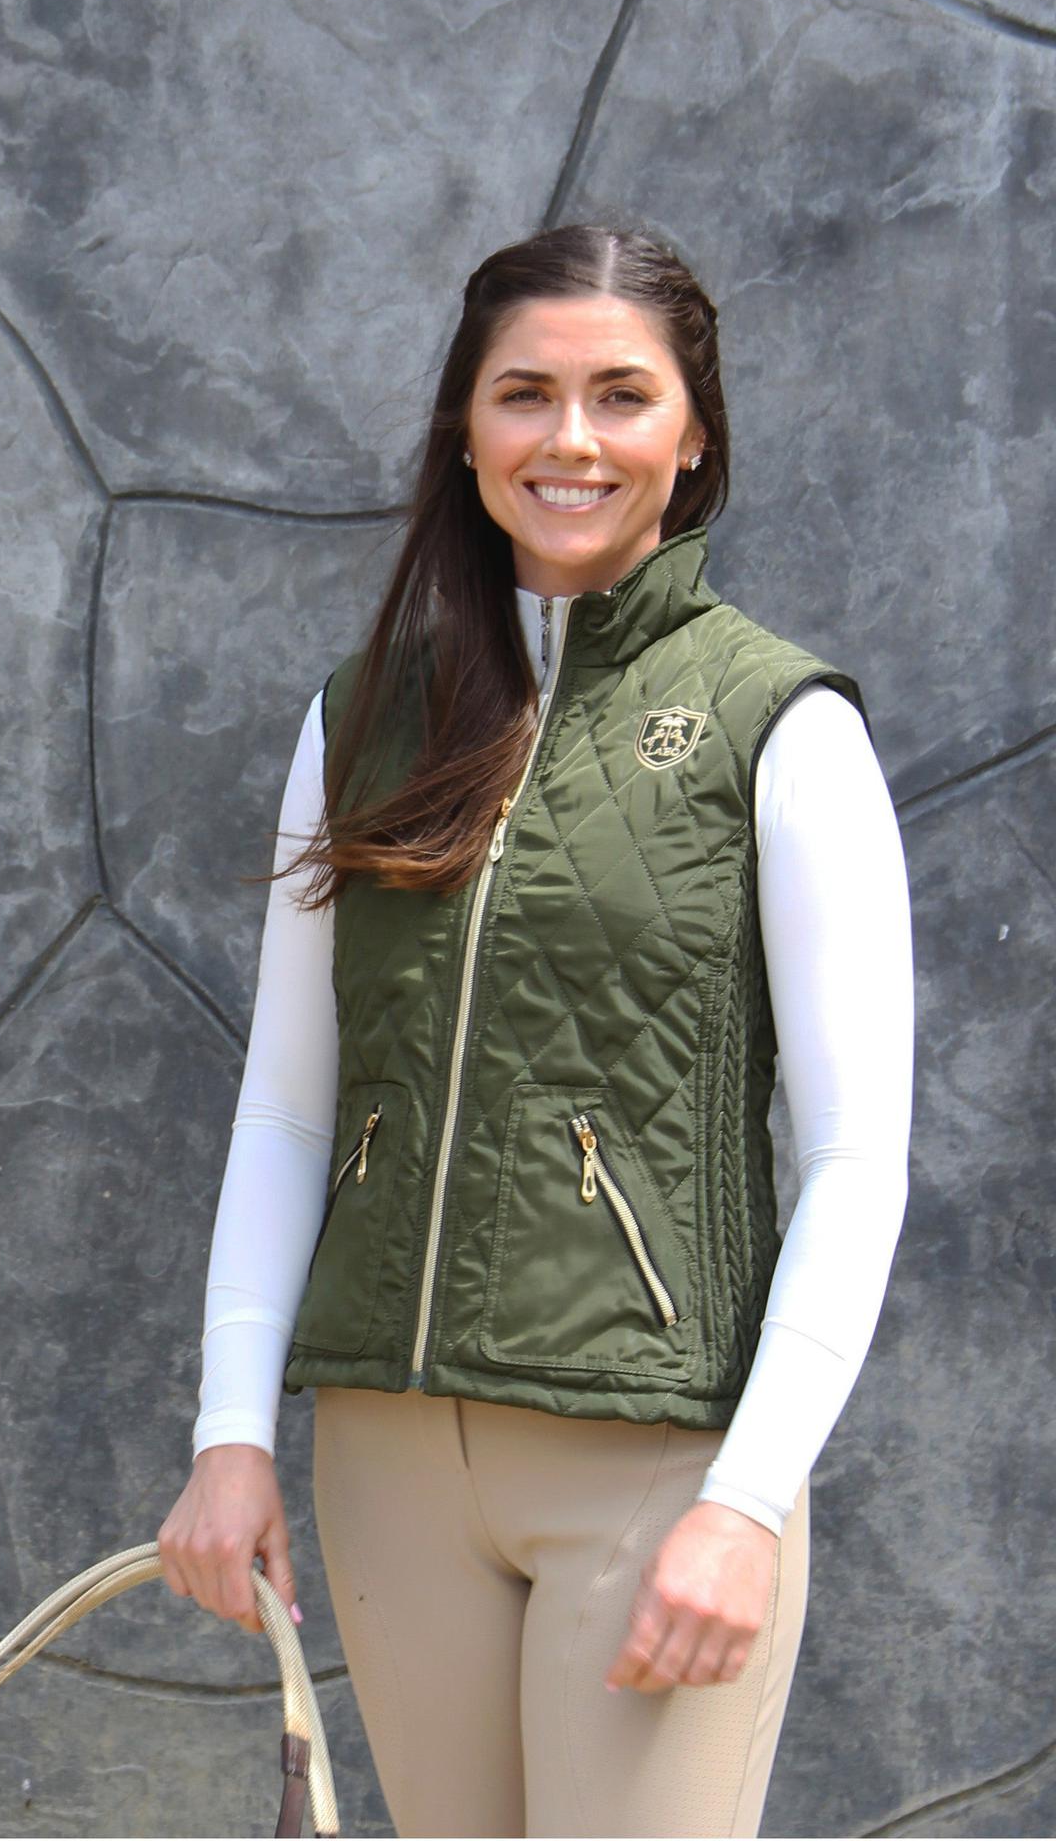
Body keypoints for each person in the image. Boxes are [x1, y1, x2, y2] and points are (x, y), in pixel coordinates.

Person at [155, 223, 913, 1838]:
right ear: (466, 426)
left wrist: (747, 1501)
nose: (571, 441)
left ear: (691, 432)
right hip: (389, 1463)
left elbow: (856, 1159)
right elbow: (290, 1113)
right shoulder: (361, 718)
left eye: (621, 396)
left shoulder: (780, 724)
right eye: (527, 395)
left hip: (654, 1464)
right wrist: (232, 1438)